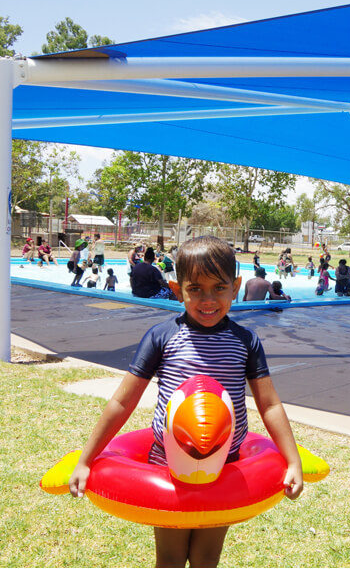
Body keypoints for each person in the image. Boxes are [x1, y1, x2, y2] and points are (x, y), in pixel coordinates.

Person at [68, 236, 303, 567]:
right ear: (177, 289)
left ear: (235, 287)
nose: (208, 300)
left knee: (207, 558)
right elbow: (123, 401)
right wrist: (86, 458)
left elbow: (269, 404)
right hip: (167, 462)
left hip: (226, 462)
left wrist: (292, 460)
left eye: (219, 288)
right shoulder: (163, 337)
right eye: (195, 289)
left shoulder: (245, 341)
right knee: (170, 557)